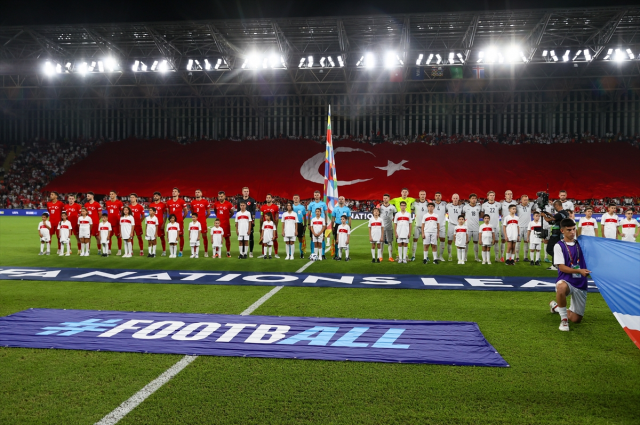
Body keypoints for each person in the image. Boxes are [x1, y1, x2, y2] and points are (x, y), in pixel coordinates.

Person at [549, 219, 591, 332]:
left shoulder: (581, 244)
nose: (572, 232)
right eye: (569, 230)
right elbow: (561, 267)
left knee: (576, 319)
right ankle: (564, 320)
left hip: (580, 282)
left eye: (574, 229)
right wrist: (579, 271)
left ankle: (556, 307)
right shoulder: (559, 246)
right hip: (566, 280)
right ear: (562, 231)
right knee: (561, 287)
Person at [540, 200, 570, 271]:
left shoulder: (559, 214)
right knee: (557, 249)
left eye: (554, 206)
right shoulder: (565, 213)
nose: (554, 208)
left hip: (556, 234)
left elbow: (549, 220)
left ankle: (556, 264)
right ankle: (557, 264)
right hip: (561, 234)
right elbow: (556, 219)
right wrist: (549, 214)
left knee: (550, 249)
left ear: (557, 205)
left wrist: (544, 216)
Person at [390, 188, 416, 259]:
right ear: (401, 193)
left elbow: (418, 200)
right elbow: (387, 202)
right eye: (403, 192)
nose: (404, 193)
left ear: (408, 193)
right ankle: (398, 255)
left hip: (407, 220)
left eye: (406, 192)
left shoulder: (411, 199)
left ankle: (406, 255)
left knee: (407, 238)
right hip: (399, 220)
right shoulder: (396, 199)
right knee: (397, 238)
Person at [213, 191, 235, 257]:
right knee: (217, 238)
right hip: (218, 225)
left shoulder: (228, 204)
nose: (220, 197)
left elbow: (232, 212)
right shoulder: (216, 204)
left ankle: (228, 252)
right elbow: (215, 212)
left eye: (221, 196)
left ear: (224, 196)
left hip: (226, 224)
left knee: (227, 238)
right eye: (219, 196)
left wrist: (227, 218)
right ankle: (217, 252)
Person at [235, 187, 257, 257]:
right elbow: (238, 210)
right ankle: (242, 252)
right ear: (242, 192)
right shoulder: (239, 200)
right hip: (241, 220)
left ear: (249, 192)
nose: (246, 192)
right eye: (245, 191)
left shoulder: (252, 200)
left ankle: (250, 252)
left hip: (249, 220)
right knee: (241, 239)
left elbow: (253, 212)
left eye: (247, 191)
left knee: (250, 237)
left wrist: (253, 221)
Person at [307, 191, 328, 259]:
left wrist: (326, 223)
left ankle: (322, 254)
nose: (316, 196)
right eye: (315, 195)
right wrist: (309, 224)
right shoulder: (311, 204)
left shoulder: (323, 204)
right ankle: (313, 254)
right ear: (314, 196)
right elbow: (309, 214)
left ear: (320, 196)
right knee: (312, 239)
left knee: (322, 239)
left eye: (317, 195)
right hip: (313, 224)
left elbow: (326, 214)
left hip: (321, 224)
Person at [166, 188, 188, 257]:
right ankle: (172, 252)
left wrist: (182, 218)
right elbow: (168, 211)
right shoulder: (168, 202)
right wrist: (171, 219)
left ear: (178, 193)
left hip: (179, 222)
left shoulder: (181, 201)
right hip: (172, 222)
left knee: (181, 236)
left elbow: (186, 211)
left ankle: (180, 251)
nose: (174, 192)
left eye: (175, 191)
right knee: (171, 235)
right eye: (173, 191)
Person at [481, 191, 501, 262]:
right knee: (485, 242)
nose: (492, 196)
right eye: (490, 195)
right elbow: (482, 215)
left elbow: (501, 213)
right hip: (487, 227)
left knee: (496, 241)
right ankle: (485, 258)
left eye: (493, 195)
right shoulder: (484, 205)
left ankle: (496, 257)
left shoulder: (498, 204)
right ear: (488, 197)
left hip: (496, 225)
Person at [190, 189, 210, 257]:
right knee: (195, 236)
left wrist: (203, 218)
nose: (197, 193)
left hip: (203, 221)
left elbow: (208, 212)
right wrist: (195, 219)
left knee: (204, 236)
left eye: (198, 192)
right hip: (195, 222)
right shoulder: (192, 202)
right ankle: (195, 253)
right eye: (196, 192)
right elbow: (192, 212)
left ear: (201, 194)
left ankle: (206, 252)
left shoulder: (205, 201)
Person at [259, 194, 280, 258]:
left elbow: (277, 217)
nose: (268, 199)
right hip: (265, 226)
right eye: (267, 197)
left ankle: (276, 254)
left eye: (269, 197)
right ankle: (263, 253)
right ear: (266, 199)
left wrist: (275, 226)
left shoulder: (275, 207)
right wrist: (260, 227)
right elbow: (261, 217)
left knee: (274, 239)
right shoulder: (262, 207)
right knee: (263, 239)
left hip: (272, 226)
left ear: (271, 199)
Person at [462, 193, 482, 262]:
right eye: (472, 198)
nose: (474, 200)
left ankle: (476, 257)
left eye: (475, 198)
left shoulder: (479, 207)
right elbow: (462, 215)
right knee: (466, 242)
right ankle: (464, 257)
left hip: (476, 227)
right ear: (469, 199)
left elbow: (481, 215)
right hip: (468, 227)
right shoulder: (465, 207)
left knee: (476, 242)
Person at [499, 190, 517, 262]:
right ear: (505, 195)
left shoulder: (515, 203)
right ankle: (502, 256)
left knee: (512, 242)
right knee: (503, 240)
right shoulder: (501, 203)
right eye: (508, 194)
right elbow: (499, 212)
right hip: (504, 224)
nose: (509, 195)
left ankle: (510, 257)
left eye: (511, 194)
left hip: (512, 225)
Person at [379, 194, 397, 262]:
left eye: (386, 198)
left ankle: (390, 257)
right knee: (381, 242)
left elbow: (395, 216)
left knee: (390, 242)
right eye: (384, 198)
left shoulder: (392, 207)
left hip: (389, 227)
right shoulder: (380, 207)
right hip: (381, 227)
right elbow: (375, 214)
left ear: (389, 199)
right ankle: (380, 257)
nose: (385, 199)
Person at [412, 191, 429, 262]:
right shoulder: (415, 203)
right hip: (417, 225)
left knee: (426, 242)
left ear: (425, 195)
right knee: (415, 240)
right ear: (419, 195)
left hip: (426, 226)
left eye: (424, 194)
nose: (422, 196)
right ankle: (413, 256)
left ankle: (426, 257)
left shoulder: (428, 204)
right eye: (421, 194)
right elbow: (411, 211)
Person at [148, 191, 167, 256]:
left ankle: (164, 251)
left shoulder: (163, 204)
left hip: (160, 223)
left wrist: (164, 223)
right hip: (152, 224)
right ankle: (154, 252)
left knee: (162, 237)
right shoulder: (151, 205)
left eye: (156, 196)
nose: (155, 197)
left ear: (159, 197)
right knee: (153, 238)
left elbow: (165, 214)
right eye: (154, 196)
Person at [446, 194, 464, 261]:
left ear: (458, 199)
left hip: (459, 225)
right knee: (450, 241)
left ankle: (459, 256)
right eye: (454, 198)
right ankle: (450, 255)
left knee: (459, 241)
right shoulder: (448, 206)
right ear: (452, 198)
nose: (455, 199)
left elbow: (464, 214)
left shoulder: (461, 207)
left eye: (456, 198)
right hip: (451, 225)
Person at [105, 190, 124, 255]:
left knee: (118, 237)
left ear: (115, 195)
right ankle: (109, 250)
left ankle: (119, 250)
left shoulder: (119, 202)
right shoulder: (107, 203)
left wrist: (120, 220)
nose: (111, 195)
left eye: (112, 194)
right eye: (110, 194)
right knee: (109, 237)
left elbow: (122, 212)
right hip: (109, 223)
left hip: (117, 223)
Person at [516, 195, 534, 262]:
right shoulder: (517, 207)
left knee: (526, 242)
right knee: (518, 242)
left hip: (527, 227)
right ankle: (517, 257)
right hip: (519, 227)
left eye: (527, 200)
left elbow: (536, 202)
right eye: (524, 200)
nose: (526, 201)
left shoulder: (530, 205)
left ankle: (525, 257)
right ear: (521, 200)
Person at [432, 192, 447, 261]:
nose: (437, 197)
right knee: (434, 241)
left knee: (442, 240)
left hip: (442, 225)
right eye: (436, 196)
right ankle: (435, 256)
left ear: (441, 197)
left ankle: (440, 256)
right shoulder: (432, 204)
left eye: (439, 196)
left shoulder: (445, 204)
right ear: (434, 197)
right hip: (433, 225)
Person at [292, 194, 307, 258]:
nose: (295, 199)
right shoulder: (290, 206)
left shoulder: (302, 207)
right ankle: (290, 253)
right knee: (291, 239)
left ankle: (301, 253)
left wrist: (305, 225)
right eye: (294, 198)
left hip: (299, 224)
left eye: (297, 198)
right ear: (293, 199)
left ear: (299, 199)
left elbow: (304, 216)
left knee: (300, 239)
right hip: (291, 224)